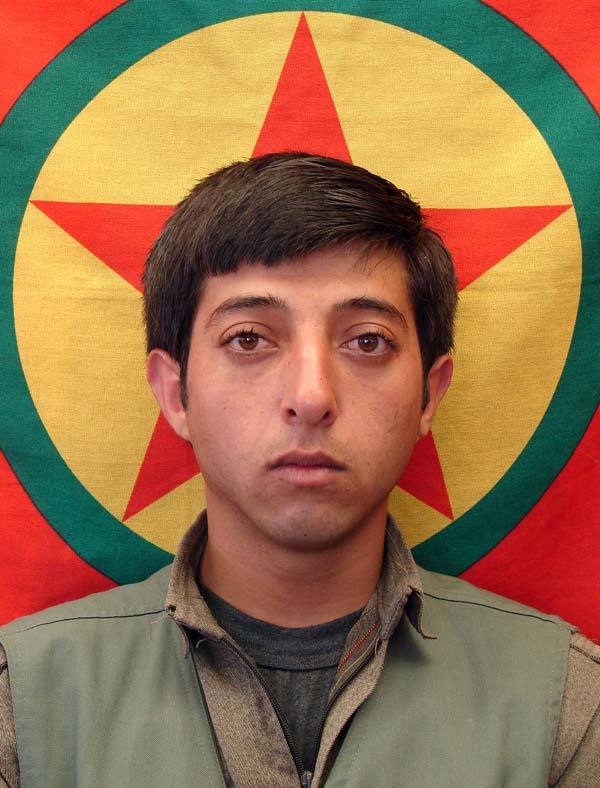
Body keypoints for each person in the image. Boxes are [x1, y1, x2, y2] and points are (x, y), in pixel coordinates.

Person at [0, 153, 598, 788]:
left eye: (367, 341)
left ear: (429, 394)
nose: (311, 397)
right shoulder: (25, 708)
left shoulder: (564, 708)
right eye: (248, 339)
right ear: (176, 394)